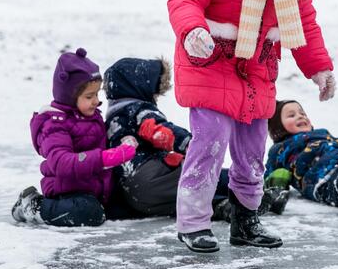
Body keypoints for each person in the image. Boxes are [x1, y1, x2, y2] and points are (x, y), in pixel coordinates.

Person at [167, 0, 335, 253]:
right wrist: (193, 30)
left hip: (257, 67)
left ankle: (245, 220)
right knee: (209, 142)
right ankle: (193, 222)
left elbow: (303, 17)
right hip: (211, 59)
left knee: (251, 151)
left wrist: (319, 66)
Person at [103, 56, 289, 219]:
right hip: (152, 175)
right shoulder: (138, 111)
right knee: (205, 175)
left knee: (185, 203)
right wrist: (194, 144)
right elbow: (160, 131)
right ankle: (255, 196)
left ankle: (223, 208)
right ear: (137, 86)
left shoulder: (114, 118)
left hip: (135, 194)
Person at [11, 48, 138, 227]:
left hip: (96, 189)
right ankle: (34, 206)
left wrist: (124, 141)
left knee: (132, 204)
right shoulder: (55, 124)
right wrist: (104, 158)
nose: (96, 100)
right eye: (89, 96)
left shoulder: (92, 117)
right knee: (89, 213)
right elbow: (61, 162)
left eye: (96, 94)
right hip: (67, 191)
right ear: (69, 97)